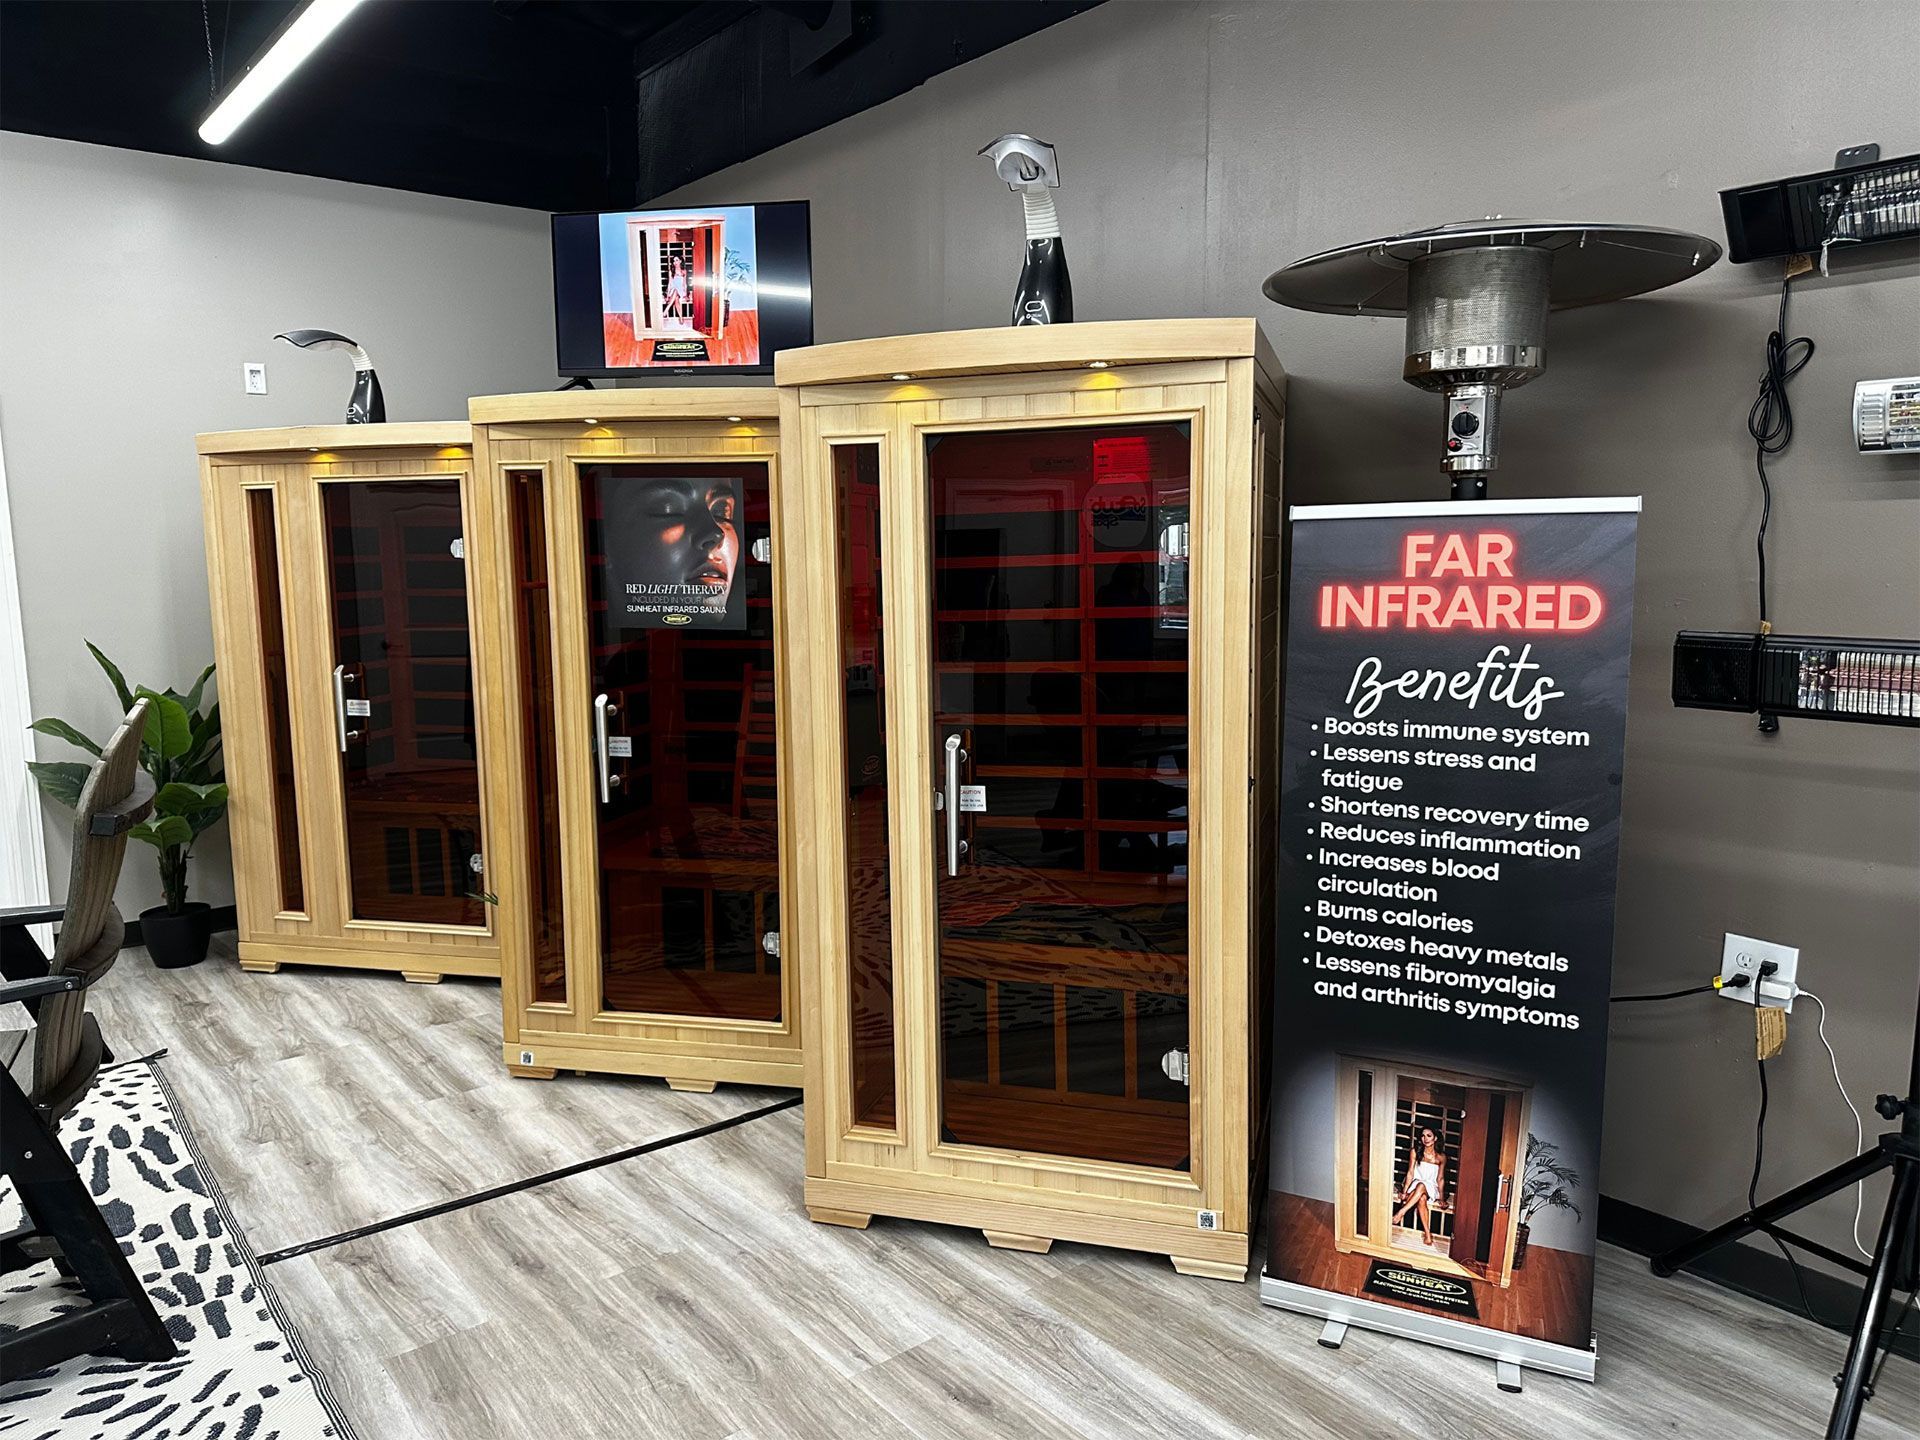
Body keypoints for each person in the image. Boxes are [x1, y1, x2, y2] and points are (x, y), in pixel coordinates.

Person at [1392, 1124, 1447, 1246]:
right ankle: (1428, 1233)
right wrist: (1405, 1191)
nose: (1425, 1139)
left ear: (1435, 1138)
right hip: (1415, 1183)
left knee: (1422, 1187)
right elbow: (1410, 1172)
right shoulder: (1415, 1152)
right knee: (1421, 1197)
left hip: (1431, 1186)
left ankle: (1402, 1212)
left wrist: (1441, 1198)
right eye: (1423, 1136)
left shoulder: (1441, 1157)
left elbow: (1440, 1178)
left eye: (1429, 1136)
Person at [666, 254, 691, 324]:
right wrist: (668, 295)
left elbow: (684, 283)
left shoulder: (684, 271)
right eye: (674, 261)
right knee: (676, 295)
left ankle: (666, 310)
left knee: (677, 294)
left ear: (680, 261)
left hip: (681, 290)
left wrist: (686, 295)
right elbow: (670, 283)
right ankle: (681, 317)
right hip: (673, 289)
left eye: (676, 260)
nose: (675, 262)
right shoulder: (671, 271)